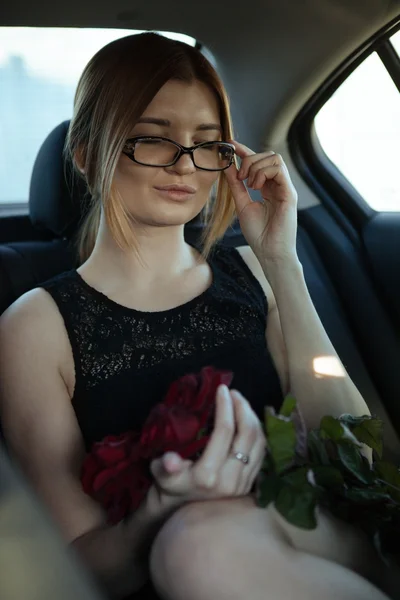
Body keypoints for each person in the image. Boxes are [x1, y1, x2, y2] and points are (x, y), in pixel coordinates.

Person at [0, 33, 393, 600]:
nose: (185, 165)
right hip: (181, 572)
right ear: (87, 155)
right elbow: (80, 563)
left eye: (207, 145)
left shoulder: (255, 273)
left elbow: (355, 454)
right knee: (196, 540)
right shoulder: (35, 327)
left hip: (317, 540)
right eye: (154, 140)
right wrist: (163, 508)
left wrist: (282, 262)